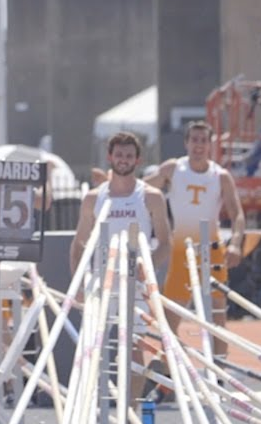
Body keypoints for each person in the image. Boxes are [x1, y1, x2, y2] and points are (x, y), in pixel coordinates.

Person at [70, 131, 171, 403]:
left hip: (135, 283)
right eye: (119, 155)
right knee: (94, 348)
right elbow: (79, 244)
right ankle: (93, 414)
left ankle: (131, 413)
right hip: (101, 281)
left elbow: (165, 243)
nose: (123, 160)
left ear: (137, 159)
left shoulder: (151, 197)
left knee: (135, 348)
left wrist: (147, 265)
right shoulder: (94, 198)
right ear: (110, 157)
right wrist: (78, 284)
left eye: (128, 156)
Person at [145, 120, 245, 360]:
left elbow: (237, 213)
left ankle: (219, 372)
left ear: (210, 145)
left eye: (203, 141)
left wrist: (235, 243)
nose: (198, 146)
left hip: (212, 249)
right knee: (171, 316)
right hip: (181, 250)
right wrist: (112, 182)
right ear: (186, 143)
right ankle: (170, 373)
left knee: (217, 316)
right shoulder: (173, 169)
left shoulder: (220, 176)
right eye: (194, 140)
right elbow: (143, 189)